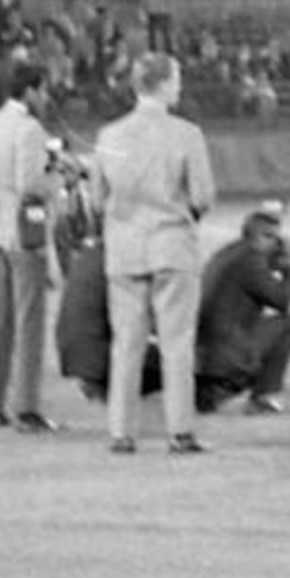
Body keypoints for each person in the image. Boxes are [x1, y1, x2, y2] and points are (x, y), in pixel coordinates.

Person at [90, 52, 216, 453]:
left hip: (125, 248)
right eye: (175, 79)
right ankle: (179, 430)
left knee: (126, 343)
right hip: (171, 245)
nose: (179, 87)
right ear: (162, 85)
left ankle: (122, 432)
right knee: (177, 342)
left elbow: (96, 198)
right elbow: (202, 195)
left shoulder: (109, 136)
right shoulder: (186, 134)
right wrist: (183, 212)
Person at [0, 65, 58, 431]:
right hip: (25, 230)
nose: (46, 97)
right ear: (31, 91)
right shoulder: (30, 129)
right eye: (43, 90)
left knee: (2, 320)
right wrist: (57, 174)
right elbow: (31, 184)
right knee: (30, 322)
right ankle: (26, 407)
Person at [193, 205, 290, 417]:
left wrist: (275, 265)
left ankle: (212, 389)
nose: (277, 245)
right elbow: (282, 300)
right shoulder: (250, 260)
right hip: (228, 359)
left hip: (203, 361)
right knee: (287, 324)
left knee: (252, 326)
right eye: (273, 239)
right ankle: (263, 397)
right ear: (261, 236)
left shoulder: (228, 254)